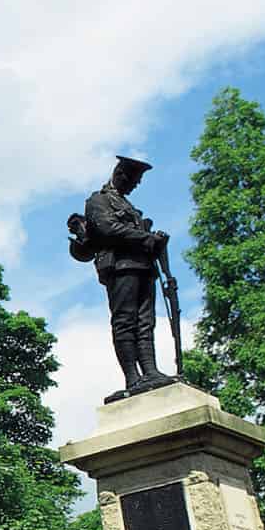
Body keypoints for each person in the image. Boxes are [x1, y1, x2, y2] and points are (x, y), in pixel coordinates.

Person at [85, 156, 177, 403]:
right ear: (120, 174)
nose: (135, 186)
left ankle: (150, 371)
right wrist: (145, 238)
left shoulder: (129, 207)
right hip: (120, 267)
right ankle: (132, 378)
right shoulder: (98, 201)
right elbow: (108, 229)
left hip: (144, 267)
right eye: (134, 181)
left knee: (146, 321)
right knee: (125, 321)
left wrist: (154, 240)